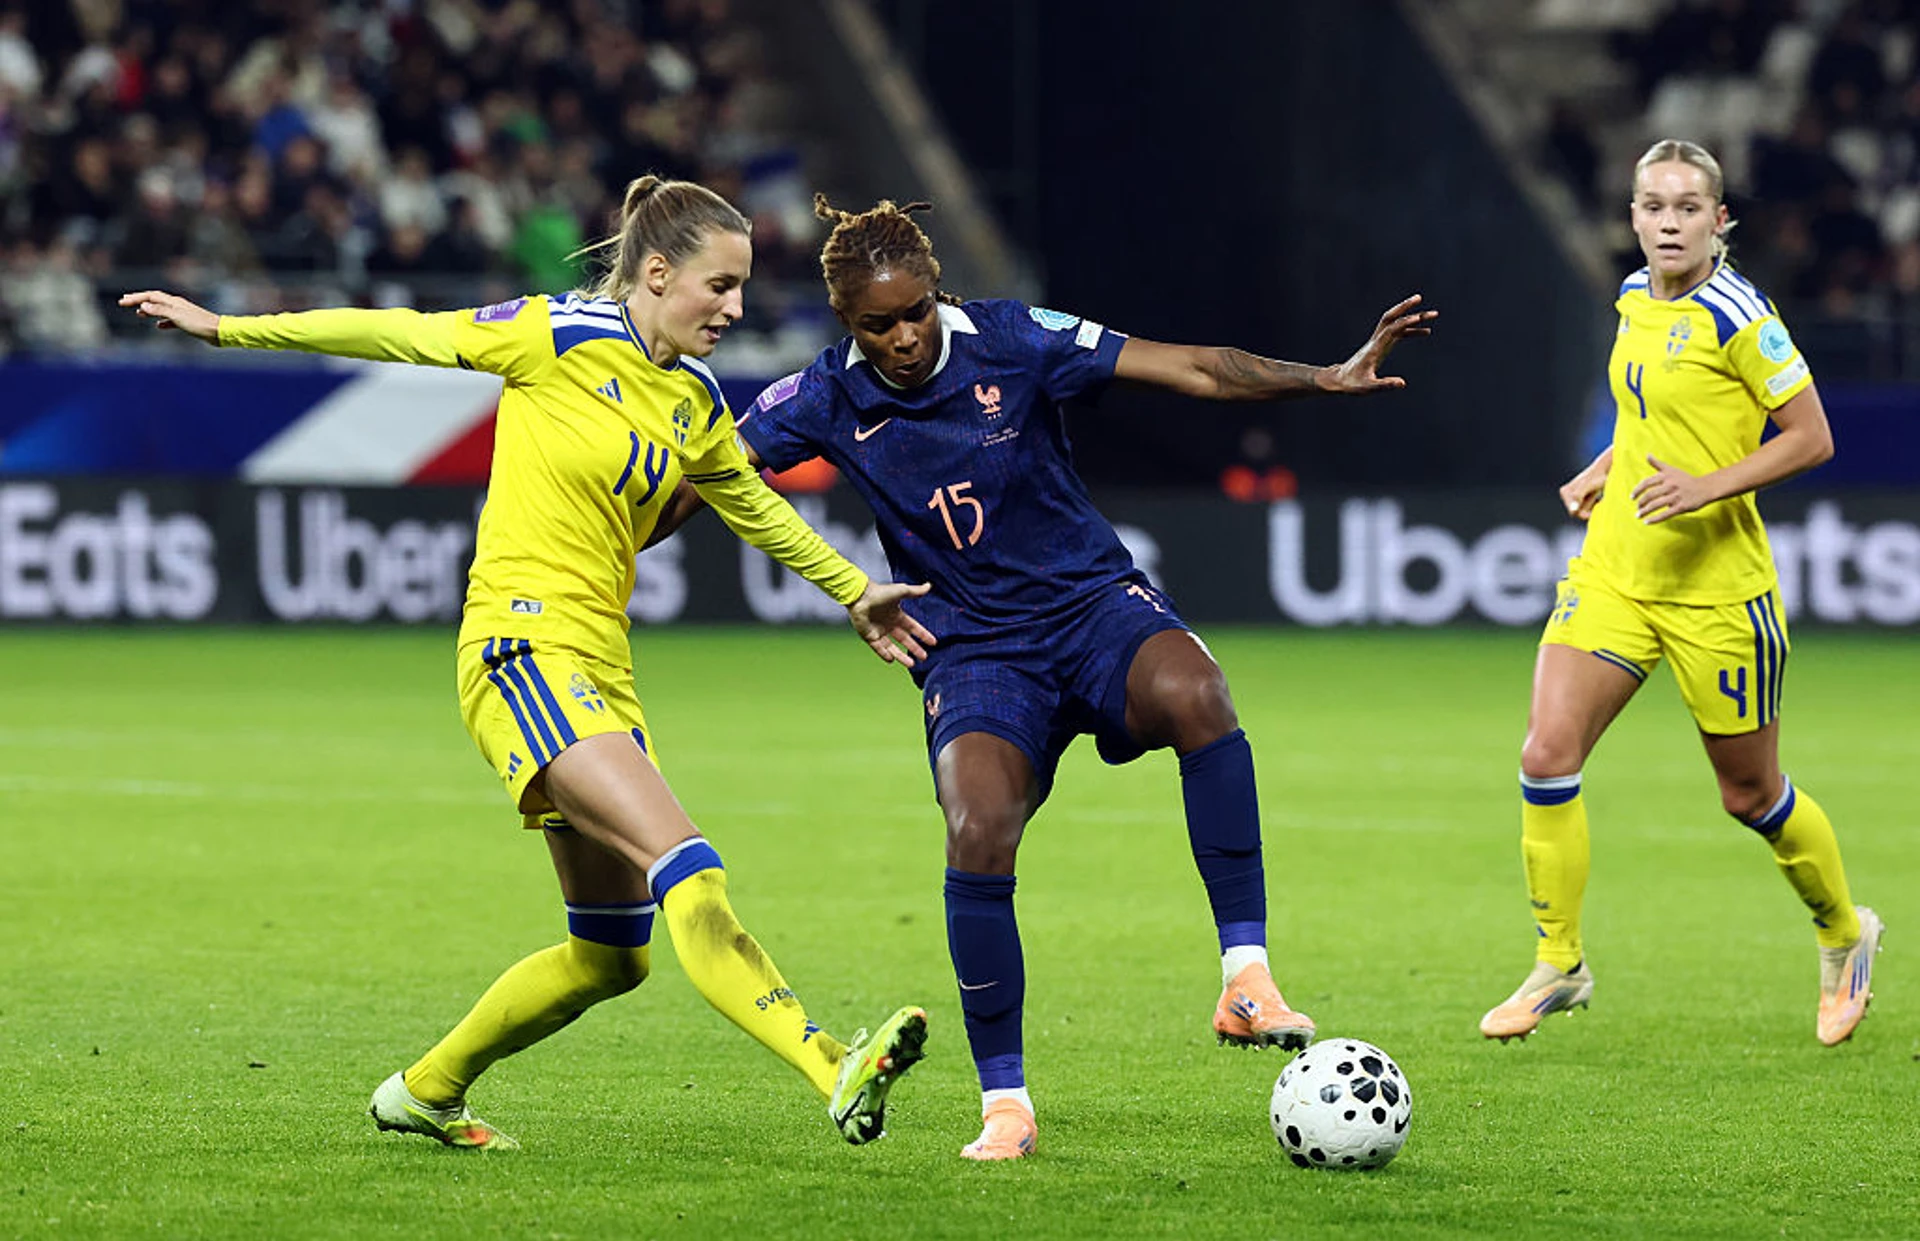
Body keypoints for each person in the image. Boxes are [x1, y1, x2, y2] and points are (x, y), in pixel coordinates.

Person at [120, 176, 939, 1150]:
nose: (733, 308)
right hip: (521, 650)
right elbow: (402, 332)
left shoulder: (691, 398)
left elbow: (752, 504)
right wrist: (228, 328)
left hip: (602, 669)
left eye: (742, 289)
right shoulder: (556, 335)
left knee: (611, 954)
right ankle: (832, 1062)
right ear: (658, 273)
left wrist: (853, 586)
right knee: (689, 866)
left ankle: (424, 1091)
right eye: (720, 285)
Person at [654, 195, 1435, 1160]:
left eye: (917, 311)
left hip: (1090, 604)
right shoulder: (820, 396)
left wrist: (1324, 376)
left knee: (1198, 694)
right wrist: (604, 531)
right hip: (974, 650)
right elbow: (704, 477)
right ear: (846, 322)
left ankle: (1246, 976)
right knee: (978, 828)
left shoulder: (1013, 338)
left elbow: (1189, 366)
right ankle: (1006, 1103)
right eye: (879, 324)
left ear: (938, 293)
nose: (905, 336)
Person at [1479, 140, 1882, 1047]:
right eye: (1654, 206)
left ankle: (1843, 932)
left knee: (1751, 795)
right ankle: (1559, 961)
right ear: (1633, 217)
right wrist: (1605, 466)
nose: (1669, 223)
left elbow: (1811, 436)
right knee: (1546, 753)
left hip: (1718, 591)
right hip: (1618, 571)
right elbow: (1649, 416)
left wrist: (1707, 486)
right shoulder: (1632, 295)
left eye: (1688, 208)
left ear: (1718, 220)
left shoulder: (1742, 315)